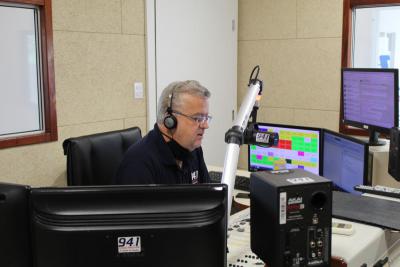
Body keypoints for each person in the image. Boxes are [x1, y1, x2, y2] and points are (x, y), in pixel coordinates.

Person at [115, 80, 212, 184]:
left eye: (206, 118)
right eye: (197, 118)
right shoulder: (138, 163)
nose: (206, 125)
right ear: (169, 120)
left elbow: (209, 197)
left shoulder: (193, 150)